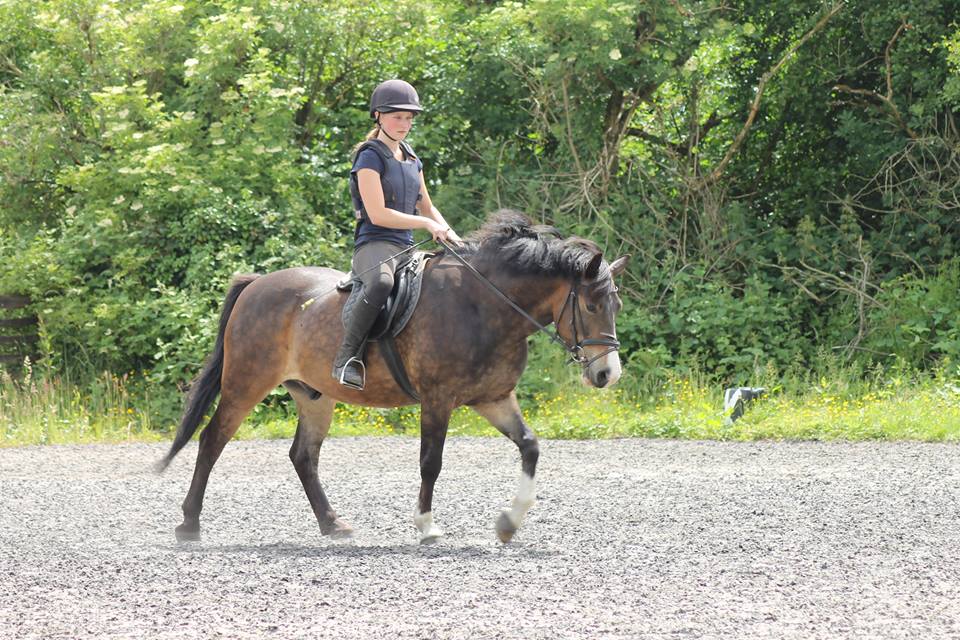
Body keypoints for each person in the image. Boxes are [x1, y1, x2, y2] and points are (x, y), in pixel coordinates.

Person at [332, 79, 462, 390]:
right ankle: (347, 358)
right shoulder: (369, 157)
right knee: (381, 283)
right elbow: (378, 214)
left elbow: (427, 207)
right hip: (374, 243)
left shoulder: (412, 157)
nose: (404, 124)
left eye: (409, 118)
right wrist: (426, 226)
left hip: (406, 247)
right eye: (397, 117)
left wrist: (456, 239)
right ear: (377, 115)